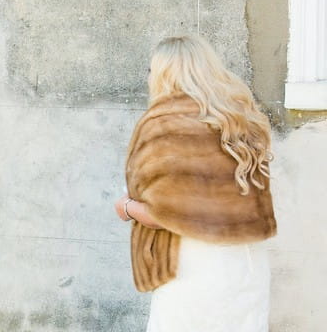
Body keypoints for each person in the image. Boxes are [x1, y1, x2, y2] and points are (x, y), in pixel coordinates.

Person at [114, 35, 277, 332]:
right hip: (246, 265)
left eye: (152, 70)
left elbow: (160, 214)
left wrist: (126, 206)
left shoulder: (162, 125)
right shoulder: (242, 121)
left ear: (164, 73)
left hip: (192, 268)